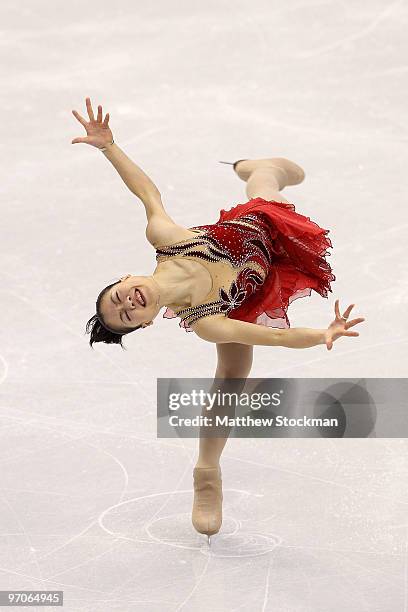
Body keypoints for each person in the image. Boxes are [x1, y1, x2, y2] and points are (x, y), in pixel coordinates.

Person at [72, 97, 365, 540]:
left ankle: (259, 166)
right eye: (127, 316)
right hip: (245, 294)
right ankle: (206, 473)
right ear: (147, 321)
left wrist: (109, 146)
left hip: (262, 230)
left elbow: (146, 192)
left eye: (117, 298)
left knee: (266, 189)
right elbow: (279, 341)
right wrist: (323, 332)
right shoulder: (206, 321)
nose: (127, 304)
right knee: (231, 377)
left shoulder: (167, 239)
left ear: (126, 278)